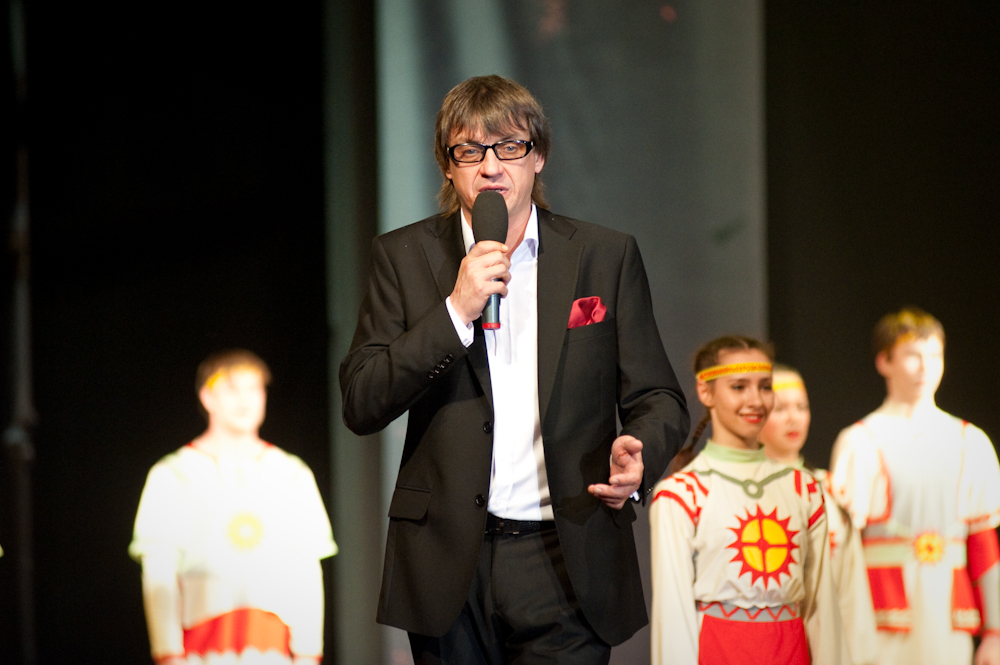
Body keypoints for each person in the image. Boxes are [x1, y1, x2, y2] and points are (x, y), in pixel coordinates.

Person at [339, 74, 689, 663]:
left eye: (509, 146)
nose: (491, 167)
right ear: (447, 166)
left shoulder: (603, 255)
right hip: (448, 558)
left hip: (566, 553)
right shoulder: (403, 256)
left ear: (538, 156)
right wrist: (456, 311)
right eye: (469, 151)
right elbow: (362, 400)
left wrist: (641, 453)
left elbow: (659, 397)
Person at [130, 350, 337, 665]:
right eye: (231, 388)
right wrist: (168, 653)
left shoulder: (291, 472)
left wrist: (308, 653)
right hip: (200, 646)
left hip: (273, 646)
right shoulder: (173, 473)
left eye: (254, 388)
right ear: (207, 397)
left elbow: (306, 569)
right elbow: (158, 570)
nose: (244, 399)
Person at [650, 336, 847, 665]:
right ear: (706, 391)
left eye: (765, 386)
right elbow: (672, 617)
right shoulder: (682, 494)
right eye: (739, 387)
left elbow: (823, 609)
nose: (756, 400)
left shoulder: (804, 489)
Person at [829, 307, 1000, 665]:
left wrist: (995, 632)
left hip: (950, 612)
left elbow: (983, 541)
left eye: (935, 356)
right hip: (881, 610)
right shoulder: (860, 440)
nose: (925, 368)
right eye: (912, 356)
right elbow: (843, 548)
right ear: (884, 362)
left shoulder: (969, 441)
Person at [760, 365, 877, 665]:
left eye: (801, 407)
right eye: (780, 408)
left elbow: (851, 587)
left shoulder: (830, 489)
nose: (794, 418)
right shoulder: (741, 491)